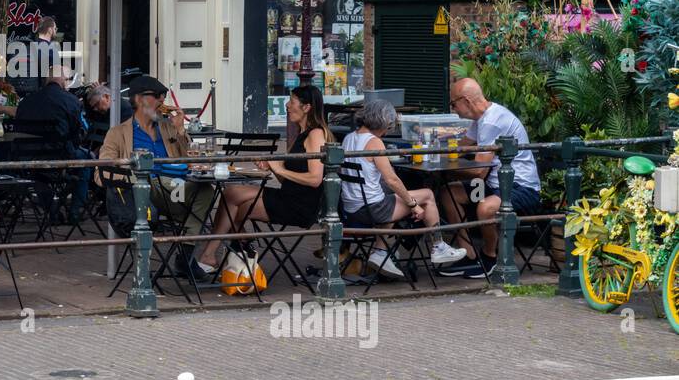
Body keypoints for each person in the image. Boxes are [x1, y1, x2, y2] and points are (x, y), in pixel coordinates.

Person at [98, 74, 217, 281]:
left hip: (173, 191)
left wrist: (180, 130)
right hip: (140, 191)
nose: (162, 101)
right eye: (156, 96)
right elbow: (101, 173)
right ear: (138, 100)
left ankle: (186, 257)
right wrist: (132, 174)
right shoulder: (118, 133)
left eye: (163, 96)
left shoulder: (168, 128)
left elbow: (188, 159)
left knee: (206, 190)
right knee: (162, 182)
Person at [199, 86, 331, 271]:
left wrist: (280, 168)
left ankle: (225, 251)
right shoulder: (301, 135)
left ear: (306, 107)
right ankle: (232, 248)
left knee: (233, 201)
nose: (287, 105)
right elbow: (288, 180)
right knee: (231, 200)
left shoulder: (316, 134)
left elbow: (315, 179)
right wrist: (272, 168)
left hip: (299, 205)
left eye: (292, 102)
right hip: (288, 195)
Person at [339, 99, 467, 278]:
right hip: (372, 209)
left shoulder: (349, 138)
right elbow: (392, 179)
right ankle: (438, 247)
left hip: (352, 208)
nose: (388, 130)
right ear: (383, 121)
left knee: (393, 197)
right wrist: (413, 204)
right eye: (389, 125)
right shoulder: (374, 142)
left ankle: (380, 252)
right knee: (428, 195)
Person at [439, 77, 543, 278]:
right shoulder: (481, 118)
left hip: (519, 188)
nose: (453, 109)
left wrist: (446, 167)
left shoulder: (492, 122)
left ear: (466, 101)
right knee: (449, 192)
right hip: (494, 184)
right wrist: (436, 153)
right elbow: (464, 146)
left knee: (485, 207)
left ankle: (490, 258)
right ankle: (468, 253)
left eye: (454, 104)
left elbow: (479, 171)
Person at [14, 64, 90, 223]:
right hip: (59, 157)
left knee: (38, 175)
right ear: (63, 80)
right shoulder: (71, 100)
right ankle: (76, 211)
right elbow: (76, 135)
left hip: (27, 160)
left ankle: (51, 208)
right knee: (87, 160)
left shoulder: (26, 101)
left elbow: (17, 131)